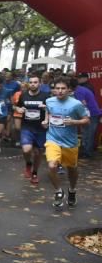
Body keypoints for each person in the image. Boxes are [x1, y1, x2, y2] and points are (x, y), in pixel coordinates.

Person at [43, 77, 90, 208]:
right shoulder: (49, 101)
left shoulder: (76, 104)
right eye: (57, 88)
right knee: (52, 166)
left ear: (69, 89)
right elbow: (49, 112)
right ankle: (58, 191)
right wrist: (46, 121)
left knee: (72, 169)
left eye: (63, 88)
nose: (60, 91)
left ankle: (72, 190)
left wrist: (75, 122)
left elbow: (87, 120)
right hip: (52, 139)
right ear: (53, 90)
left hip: (70, 142)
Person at [13, 73, 49, 185]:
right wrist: (18, 109)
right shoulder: (23, 95)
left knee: (38, 153)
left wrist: (46, 112)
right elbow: (15, 106)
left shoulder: (46, 96)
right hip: (27, 127)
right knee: (26, 149)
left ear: (40, 83)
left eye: (35, 82)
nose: (33, 84)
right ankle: (28, 163)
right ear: (28, 83)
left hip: (40, 128)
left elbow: (52, 109)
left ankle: (34, 173)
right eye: (31, 82)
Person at [74, 72, 100, 158]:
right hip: (91, 113)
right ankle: (86, 151)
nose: (79, 79)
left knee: (88, 134)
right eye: (78, 78)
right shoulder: (84, 87)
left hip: (91, 113)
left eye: (80, 78)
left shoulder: (80, 90)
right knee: (86, 133)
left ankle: (87, 153)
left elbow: (83, 104)